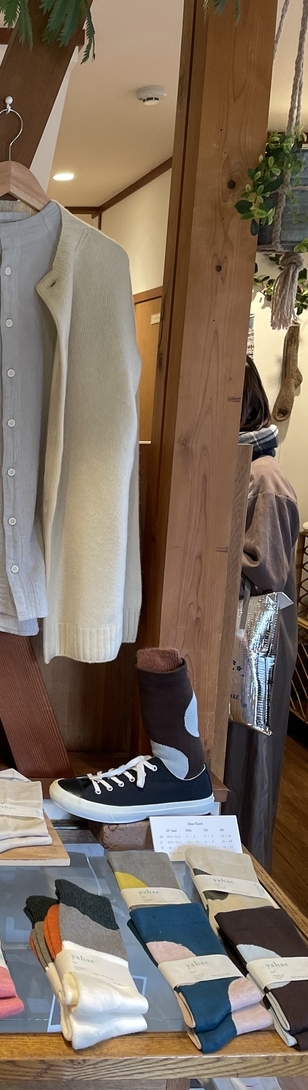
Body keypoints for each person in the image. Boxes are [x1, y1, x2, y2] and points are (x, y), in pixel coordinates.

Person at [224, 357, 301, 868]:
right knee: (234, 750)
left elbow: (265, 570)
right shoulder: (246, 467)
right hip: (243, 640)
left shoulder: (264, 475)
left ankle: (249, 873)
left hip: (259, 645)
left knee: (251, 757)